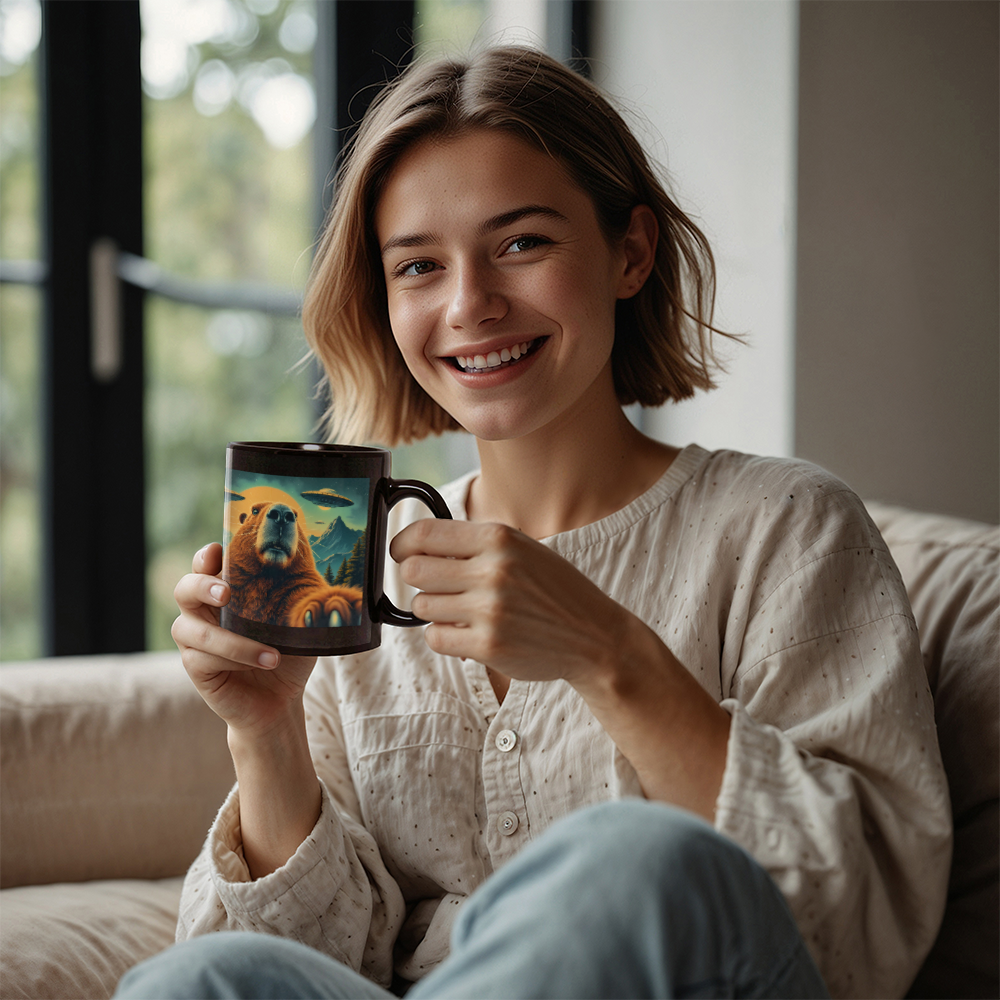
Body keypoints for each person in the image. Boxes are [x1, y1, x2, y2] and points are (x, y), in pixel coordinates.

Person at [115, 46, 951, 1000]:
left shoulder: (787, 529)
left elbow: (866, 923)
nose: (469, 305)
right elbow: (328, 971)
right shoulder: (361, 579)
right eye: (419, 266)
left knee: (637, 862)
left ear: (629, 253)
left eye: (522, 244)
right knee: (214, 975)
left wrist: (609, 655)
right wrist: (266, 736)